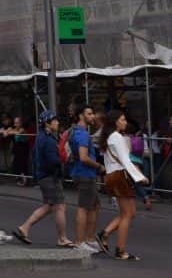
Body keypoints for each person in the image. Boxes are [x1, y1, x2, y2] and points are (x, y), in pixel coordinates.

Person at [12, 110, 73, 248]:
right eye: (55, 120)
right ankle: (62, 238)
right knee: (59, 207)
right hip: (50, 176)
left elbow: (34, 156)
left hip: (43, 176)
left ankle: (25, 227)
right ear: (47, 123)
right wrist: (65, 160)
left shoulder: (41, 137)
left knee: (49, 206)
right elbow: (53, 160)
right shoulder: (49, 139)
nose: (57, 122)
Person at [96, 110, 148, 260]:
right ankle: (120, 250)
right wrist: (139, 177)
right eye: (123, 119)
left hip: (113, 176)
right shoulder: (117, 137)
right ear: (115, 122)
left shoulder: (109, 137)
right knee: (127, 214)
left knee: (130, 213)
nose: (125, 122)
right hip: (120, 176)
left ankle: (104, 234)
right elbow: (125, 160)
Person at [70, 107, 102, 253]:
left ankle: (89, 239)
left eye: (92, 113)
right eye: (89, 113)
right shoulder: (82, 134)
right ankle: (79, 242)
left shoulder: (77, 132)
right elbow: (83, 157)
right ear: (81, 116)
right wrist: (99, 166)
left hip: (85, 173)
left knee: (94, 206)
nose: (92, 116)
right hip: (85, 173)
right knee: (84, 207)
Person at [10, 116, 31, 186]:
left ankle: (25, 180)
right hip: (17, 149)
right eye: (15, 123)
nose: (15, 125)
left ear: (21, 123)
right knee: (16, 164)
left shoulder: (23, 130)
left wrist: (11, 132)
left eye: (17, 123)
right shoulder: (15, 129)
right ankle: (20, 178)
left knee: (23, 164)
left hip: (23, 149)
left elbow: (17, 135)